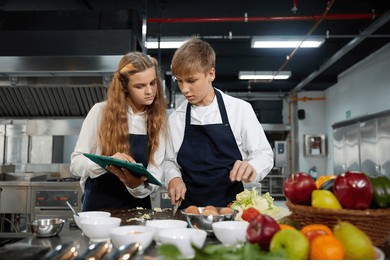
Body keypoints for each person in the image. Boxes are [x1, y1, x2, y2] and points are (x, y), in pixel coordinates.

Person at [165, 37, 274, 209]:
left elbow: (264, 154)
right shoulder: (175, 119)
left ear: (211, 74)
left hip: (233, 209)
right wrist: (173, 177)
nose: (184, 89)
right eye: (179, 81)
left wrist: (251, 166)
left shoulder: (240, 110)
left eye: (191, 80)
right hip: (190, 210)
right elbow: (170, 161)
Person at [70, 52, 167, 211]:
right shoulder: (100, 112)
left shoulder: (159, 121)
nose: (149, 91)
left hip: (138, 210)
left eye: (153, 83)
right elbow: (76, 164)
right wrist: (106, 162)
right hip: (98, 210)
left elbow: (155, 175)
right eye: (140, 86)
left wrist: (135, 186)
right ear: (124, 87)